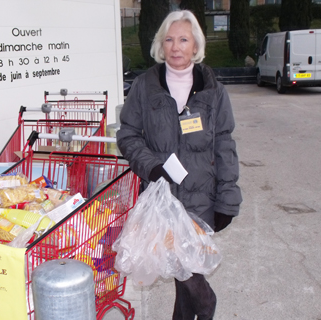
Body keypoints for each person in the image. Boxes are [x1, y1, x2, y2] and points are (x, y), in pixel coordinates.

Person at [116, 10, 242, 320]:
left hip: (202, 197)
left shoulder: (214, 92)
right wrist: (152, 166)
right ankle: (207, 303)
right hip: (163, 199)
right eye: (169, 39)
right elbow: (128, 135)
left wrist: (227, 201)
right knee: (184, 269)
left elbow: (225, 145)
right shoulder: (145, 86)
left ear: (196, 46)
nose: (176, 47)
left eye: (183, 39)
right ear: (161, 45)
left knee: (182, 269)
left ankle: (196, 308)